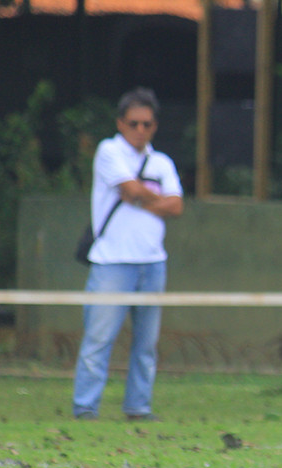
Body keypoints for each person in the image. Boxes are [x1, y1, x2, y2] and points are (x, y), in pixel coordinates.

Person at [72, 88, 184, 421]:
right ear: (121, 123)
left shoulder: (162, 161)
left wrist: (140, 198)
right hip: (112, 263)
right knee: (98, 339)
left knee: (146, 345)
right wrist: (151, 198)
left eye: (147, 124)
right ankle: (85, 408)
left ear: (155, 126)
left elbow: (176, 206)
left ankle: (138, 407)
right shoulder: (108, 151)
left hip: (152, 264)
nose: (140, 130)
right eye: (133, 123)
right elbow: (129, 189)